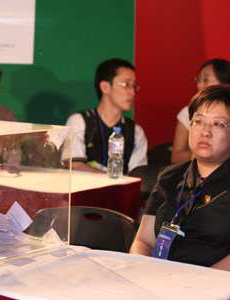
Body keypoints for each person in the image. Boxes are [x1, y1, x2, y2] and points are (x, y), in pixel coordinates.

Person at [130, 84, 230, 270]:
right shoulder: (169, 177)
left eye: (218, 124)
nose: (205, 131)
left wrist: (200, 286)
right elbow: (144, 242)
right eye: (198, 121)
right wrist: (142, 272)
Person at [61, 58, 147, 174]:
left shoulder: (136, 132)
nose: (132, 92)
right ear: (105, 87)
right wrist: (113, 179)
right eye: (126, 84)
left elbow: (137, 175)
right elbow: (74, 166)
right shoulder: (79, 121)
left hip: (120, 191)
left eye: (134, 86)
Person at [171, 58, 230, 163]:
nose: (199, 85)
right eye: (198, 121)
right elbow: (176, 157)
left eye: (206, 80)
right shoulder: (188, 112)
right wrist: (201, 152)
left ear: (225, 86)